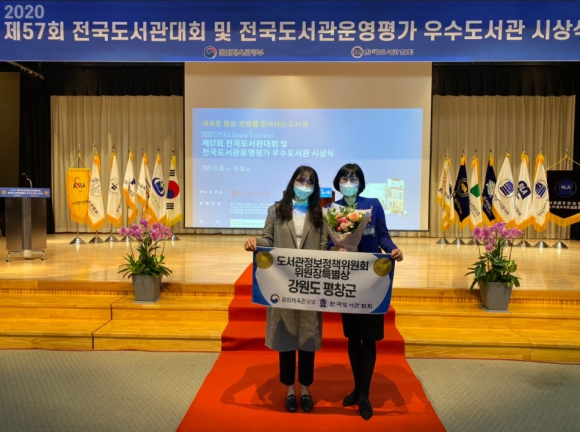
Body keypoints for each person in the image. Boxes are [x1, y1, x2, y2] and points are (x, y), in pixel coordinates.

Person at [244, 165, 328, 414]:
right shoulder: (276, 210)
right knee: (287, 336)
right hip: (283, 285)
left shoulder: (320, 214)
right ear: (292, 182)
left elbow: (323, 247)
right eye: (301, 181)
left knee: (308, 338)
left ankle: (306, 389)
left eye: (310, 182)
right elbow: (268, 240)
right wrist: (255, 242)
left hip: (310, 285)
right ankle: (290, 389)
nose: (304, 186)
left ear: (315, 187)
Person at [328, 163, 403, 421]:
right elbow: (328, 243)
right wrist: (335, 249)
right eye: (344, 178)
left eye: (354, 178)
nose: (349, 182)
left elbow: (383, 237)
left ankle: (364, 395)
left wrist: (393, 249)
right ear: (338, 182)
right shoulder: (333, 209)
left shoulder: (373, 205)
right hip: (347, 281)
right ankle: (356, 387)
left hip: (371, 280)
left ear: (361, 182)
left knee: (368, 338)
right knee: (352, 336)